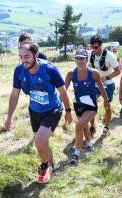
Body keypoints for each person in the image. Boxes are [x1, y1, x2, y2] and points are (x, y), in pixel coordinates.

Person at [4, 41, 73, 183]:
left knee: (39, 142)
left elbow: (63, 91)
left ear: (36, 54)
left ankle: (44, 166)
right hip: (34, 110)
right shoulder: (19, 71)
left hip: (52, 110)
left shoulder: (50, 69)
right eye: (21, 57)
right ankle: (52, 168)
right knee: (43, 143)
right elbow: (15, 94)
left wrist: (68, 111)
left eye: (27, 56)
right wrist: (9, 116)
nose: (24, 60)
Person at [64, 49, 110, 164]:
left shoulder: (94, 73)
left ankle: (76, 154)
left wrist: (106, 100)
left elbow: (101, 88)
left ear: (86, 60)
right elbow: (63, 91)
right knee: (84, 126)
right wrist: (60, 105)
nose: (80, 61)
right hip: (78, 104)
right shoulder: (70, 74)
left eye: (82, 58)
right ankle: (89, 144)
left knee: (79, 126)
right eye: (77, 58)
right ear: (75, 60)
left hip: (91, 105)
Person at [88, 34, 120, 137]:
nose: (94, 49)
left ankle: (106, 127)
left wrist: (106, 78)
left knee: (107, 106)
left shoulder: (110, 56)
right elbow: (88, 67)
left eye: (96, 47)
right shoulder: (90, 55)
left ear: (102, 45)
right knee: (91, 103)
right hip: (95, 84)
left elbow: (118, 71)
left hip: (108, 85)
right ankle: (92, 127)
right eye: (92, 47)